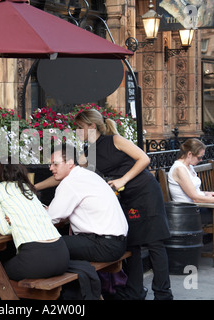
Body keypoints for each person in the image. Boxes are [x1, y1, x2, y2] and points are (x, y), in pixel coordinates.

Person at [73, 108, 173, 300]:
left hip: (146, 193)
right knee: (131, 245)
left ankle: (163, 294)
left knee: (155, 244)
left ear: (92, 126)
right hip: (126, 199)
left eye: (79, 127)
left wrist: (122, 180)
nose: (76, 131)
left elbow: (144, 159)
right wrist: (35, 185)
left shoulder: (115, 140)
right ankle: (135, 291)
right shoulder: (88, 152)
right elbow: (72, 172)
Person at [0, 158, 69, 281]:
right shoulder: (26, 188)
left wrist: (16, 224)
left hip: (37, 259)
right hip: (62, 256)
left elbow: (3, 230)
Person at [46, 146, 128, 263]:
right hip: (118, 243)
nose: (50, 168)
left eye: (55, 164)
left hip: (104, 245)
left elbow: (50, 218)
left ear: (70, 163)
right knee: (60, 243)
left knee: (46, 245)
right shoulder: (87, 175)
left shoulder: (70, 182)